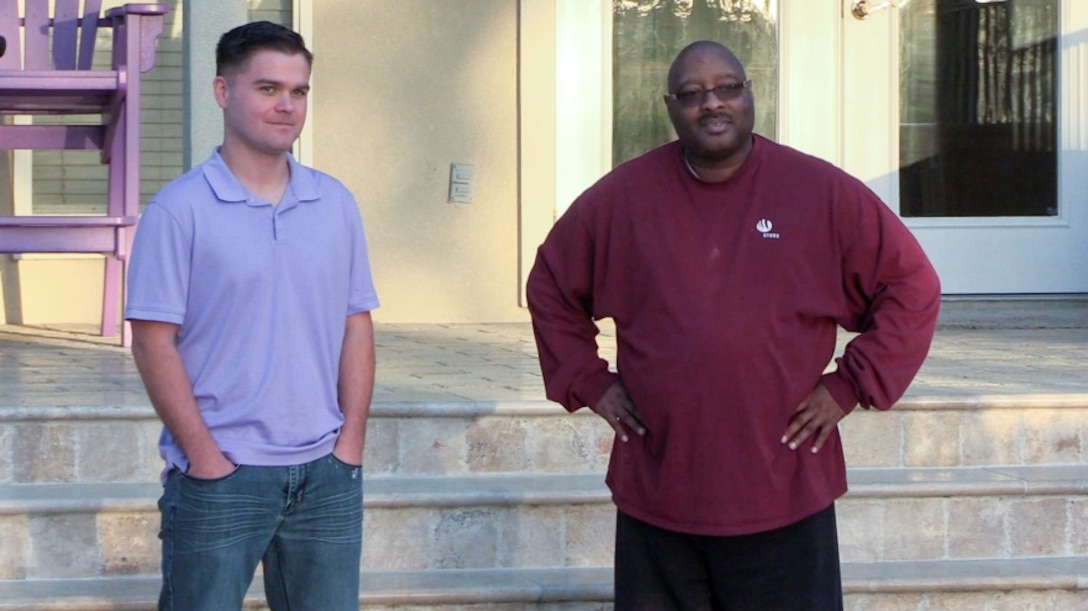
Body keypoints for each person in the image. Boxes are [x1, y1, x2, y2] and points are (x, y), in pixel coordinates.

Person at [527, 41, 940, 610]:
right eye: (692, 95)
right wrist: (589, 380)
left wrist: (850, 384)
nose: (711, 104)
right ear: (670, 108)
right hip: (661, 485)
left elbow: (912, 285)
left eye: (727, 88)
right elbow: (550, 285)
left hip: (783, 486)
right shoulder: (623, 198)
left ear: (750, 95)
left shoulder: (818, 192)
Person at [125, 21, 379, 611]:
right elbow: (152, 343)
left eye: (299, 91)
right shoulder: (179, 210)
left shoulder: (335, 203)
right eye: (267, 88)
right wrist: (206, 457)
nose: (287, 105)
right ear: (222, 92)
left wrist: (350, 446)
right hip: (222, 474)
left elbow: (355, 325)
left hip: (326, 473)